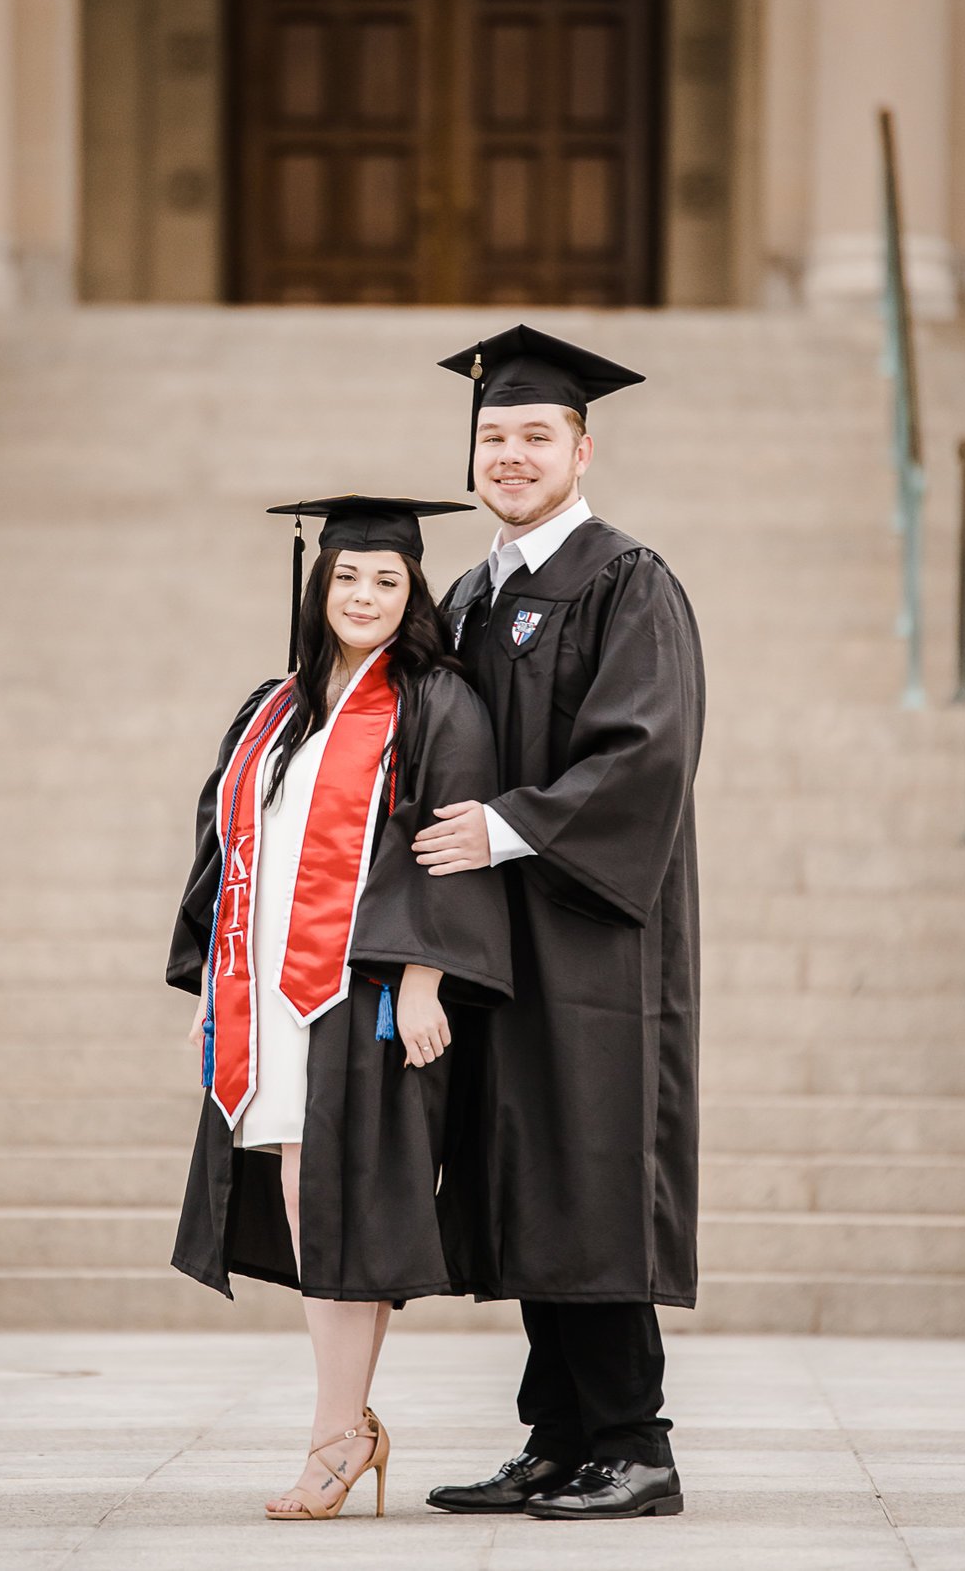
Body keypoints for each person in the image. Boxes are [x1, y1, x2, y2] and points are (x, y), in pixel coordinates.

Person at [169, 495, 513, 1521]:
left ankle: (334, 1437)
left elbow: (442, 841)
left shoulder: (436, 703)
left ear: (411, 595)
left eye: (386, 580)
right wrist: (211, 987)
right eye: (348, 576)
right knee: (306, 1203)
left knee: (340, 1208)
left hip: (359, 994)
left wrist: (422, 978)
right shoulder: (272, 706)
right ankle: (347, 1429)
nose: (362, 595)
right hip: (265, 994)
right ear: (319, 584)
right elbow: (228, 848)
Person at [416, 326, 705, 1522]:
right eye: (494, 438)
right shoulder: (471, 594)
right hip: (498, 937)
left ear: (582, 449)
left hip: (593, 934)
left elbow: (647, 751)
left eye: (536, 436)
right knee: (528, 1170)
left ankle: (635, 1445)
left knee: (586, 1168)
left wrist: (506, 828)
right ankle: (558, 1436)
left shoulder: (625, 579)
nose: (512, 455)